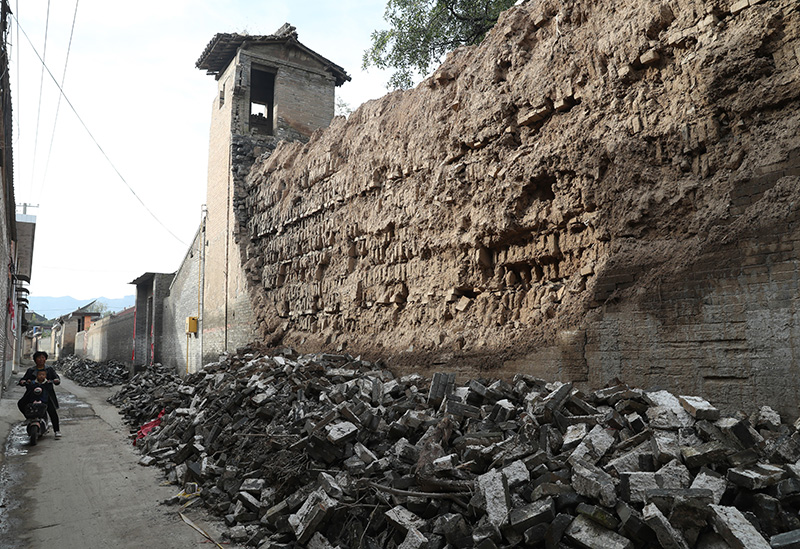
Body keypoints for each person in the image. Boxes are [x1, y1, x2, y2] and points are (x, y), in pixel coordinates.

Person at [19, 351, 61, 438]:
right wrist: (23, 381)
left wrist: (56, 380)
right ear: (35, 360)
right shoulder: (31, 370)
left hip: (47, 393)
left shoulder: (49, 370)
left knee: (52, 410)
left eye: (43, 358)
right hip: (32, 393)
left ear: (45, 359)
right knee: (21, 403)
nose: (41, 360)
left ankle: (57, 430)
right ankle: (29, 418)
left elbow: (56, 378)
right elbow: (24, 379)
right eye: (39, 358)